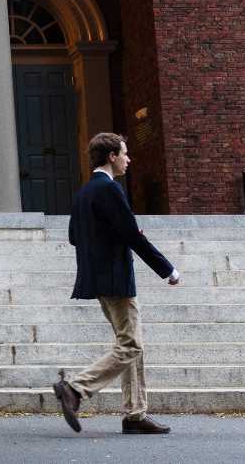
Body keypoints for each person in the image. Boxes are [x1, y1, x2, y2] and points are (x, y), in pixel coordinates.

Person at [53, 132, 179, 436]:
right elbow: (132, 236)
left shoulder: (84, 192)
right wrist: (168, 270)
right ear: (111, 156)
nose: (128, 159)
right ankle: (75, 388)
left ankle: (135, 414)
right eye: (124, 153)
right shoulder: (109, 190)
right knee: (131, 344)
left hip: (97, 278)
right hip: (115, 278)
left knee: (133, 343)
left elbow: (74, 236)